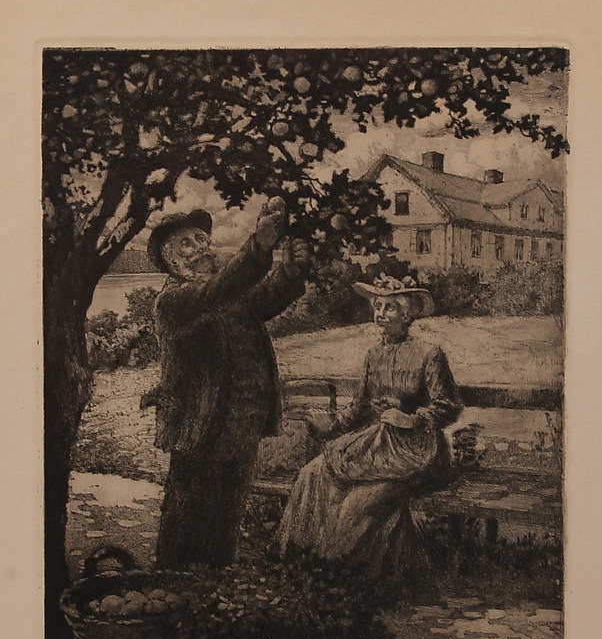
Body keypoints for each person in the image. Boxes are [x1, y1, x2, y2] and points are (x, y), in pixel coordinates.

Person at [149, 196, 310, 571]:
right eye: (184, 244)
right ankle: (173, 577)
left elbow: (264, 300)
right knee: (190, 505)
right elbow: (218, 290)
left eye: (200, 238)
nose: (198, 247)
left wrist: (290, 271)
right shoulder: (174, 300)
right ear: (170, 261)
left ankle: (215, 577)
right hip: (201, 422)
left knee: (228, 507)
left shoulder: (224, 290)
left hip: (244, 418)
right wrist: (258, 247)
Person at [277, 275, 461, 595]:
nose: (381, 314)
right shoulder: (373, 356)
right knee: (311, 474)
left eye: (390, 308)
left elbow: (448, 406)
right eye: (378, 307)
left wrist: (412, 419)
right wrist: (331, 424)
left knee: (360, 503)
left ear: (407, 314)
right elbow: (359, 408)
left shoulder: (429, 354)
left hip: (416, 449)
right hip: (375, 445)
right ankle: (302, 565)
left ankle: (354, 580)